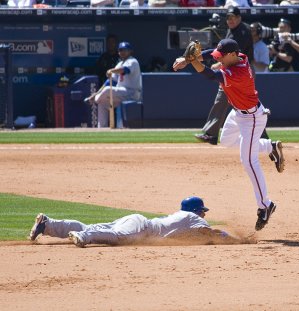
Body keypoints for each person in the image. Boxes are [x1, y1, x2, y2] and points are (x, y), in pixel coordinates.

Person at [173, 38, 285, 231]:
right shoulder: (239, 56)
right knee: (226, 140)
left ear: (232, 55)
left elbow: (210, 75)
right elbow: (210, 53)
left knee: (248, 161)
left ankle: (265, 205)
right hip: (237, 112)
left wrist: (191, 61)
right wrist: (187, 58)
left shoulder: (238, 72)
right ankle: (269, 146)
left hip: (252, 119)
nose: (219, 59)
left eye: (222, 57)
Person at [29, 196, 236, 247]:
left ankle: (47, 224)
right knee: (118, 237)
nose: (204, 215)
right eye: (203, 211)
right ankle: (84, 238)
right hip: (141, 227)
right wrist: (238, 240)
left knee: (91, 226)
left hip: (135, 220)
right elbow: (212, 233)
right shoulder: (191, 218)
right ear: (196, 211)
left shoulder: (181, 217)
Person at [191, 6, 256, 145]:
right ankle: (211, 133)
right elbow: (217, 52)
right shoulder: (232, 30)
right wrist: (195, 57)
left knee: (245, 106)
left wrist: (216, 64)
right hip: (232, 70)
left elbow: (234, 57)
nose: (230, 20)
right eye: (228, 18)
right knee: (238, 104)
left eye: (233, 17)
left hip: (239, 72)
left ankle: (211, 134)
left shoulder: (242, 32)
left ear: (239, 18)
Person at [86, 41, 142, 128]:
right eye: (120, 50)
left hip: (132, 92)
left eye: (125, 50)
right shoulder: (119, 64)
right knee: (102, 102)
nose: (122, 52)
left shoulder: (133, 61)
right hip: (121, 94)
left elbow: (125, 70)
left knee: (108, 90)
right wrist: (96, 93)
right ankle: (102, 128)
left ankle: (94, 99)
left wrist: (111, 70)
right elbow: (110, 82)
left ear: (130, 51)